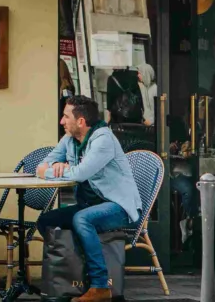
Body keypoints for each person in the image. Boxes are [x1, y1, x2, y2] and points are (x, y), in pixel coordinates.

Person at [37, 95, 142, 302]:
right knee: (46, 221)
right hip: (90, 206)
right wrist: (56, 168)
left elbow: (78, 174)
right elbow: (42, 166)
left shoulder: (103, 140)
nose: (61, 121)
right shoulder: (69, 139)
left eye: (66, 116)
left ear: (81, 122)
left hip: (118, 207)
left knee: (82, 219)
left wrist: (64, 169)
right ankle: (73, 275)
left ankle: (100, 286)